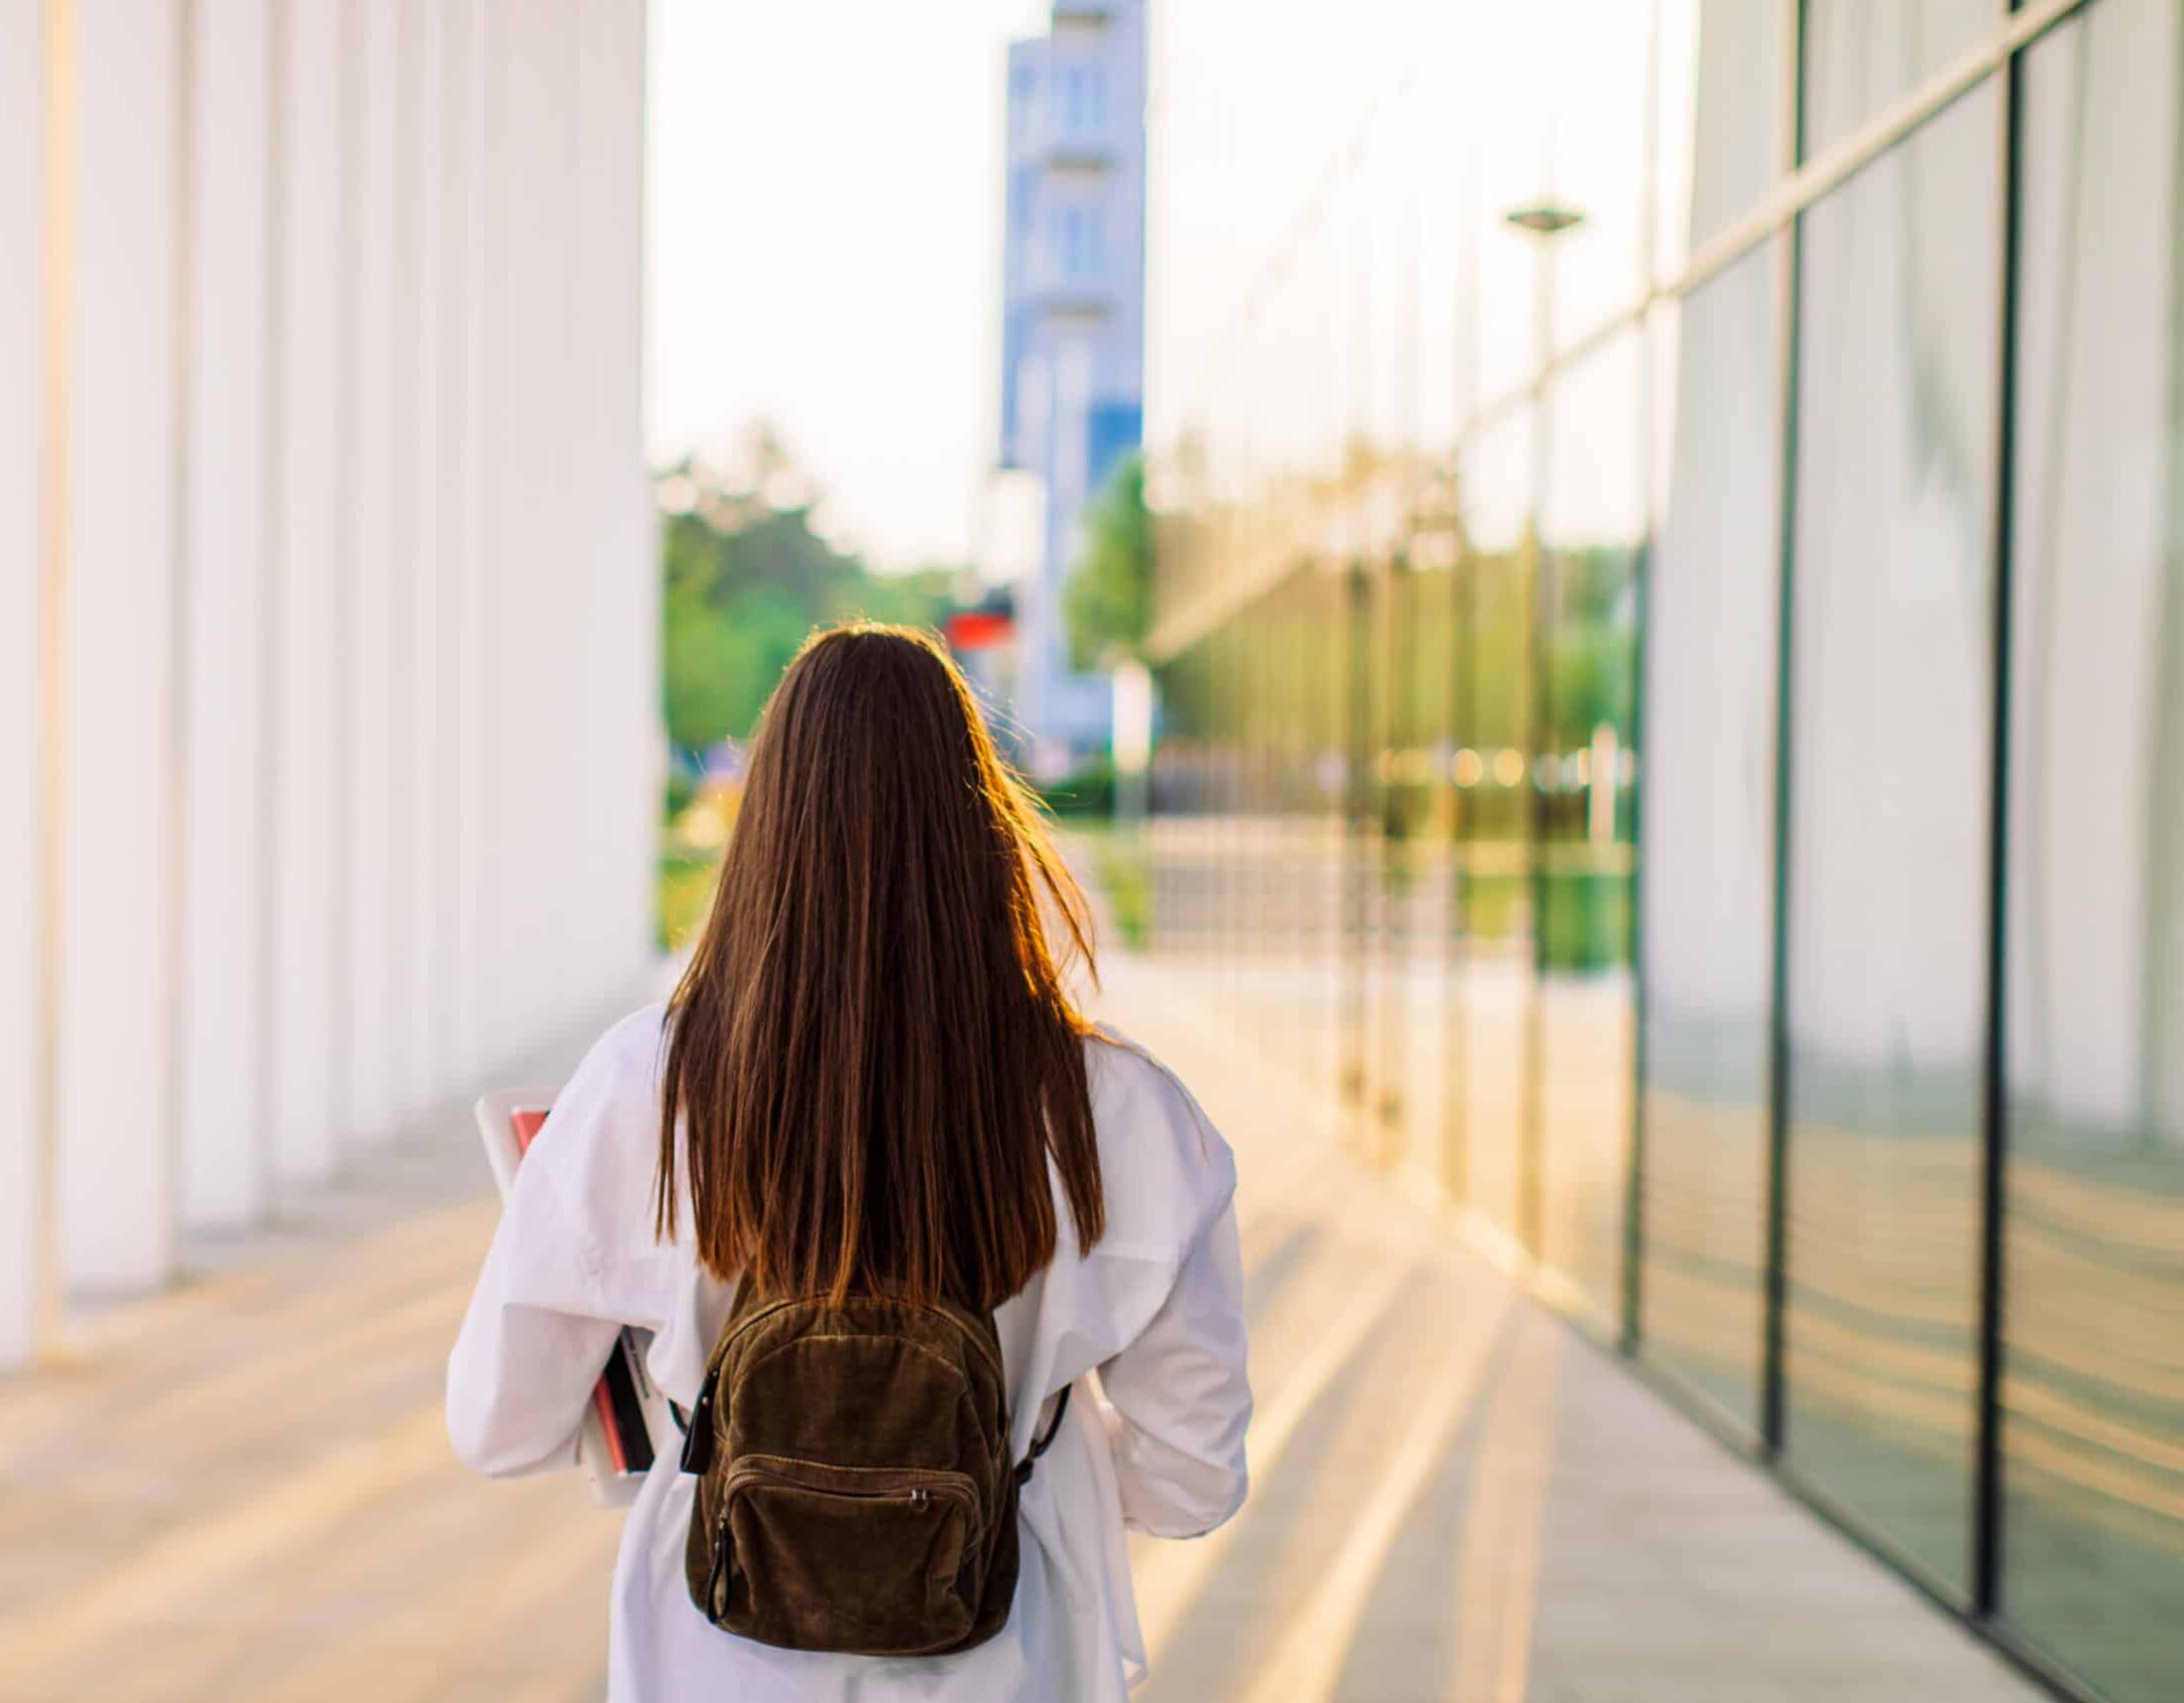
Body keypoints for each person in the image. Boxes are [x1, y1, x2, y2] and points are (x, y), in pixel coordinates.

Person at [446, 623, 1251, 1703]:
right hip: (1010, 1658)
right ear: (981, 820)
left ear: (766, 825)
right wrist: (1024, 1440)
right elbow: (1192, 1476)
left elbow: (498, 1422)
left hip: (713, 1659)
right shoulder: (1122, 1109)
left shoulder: (648, 1082)